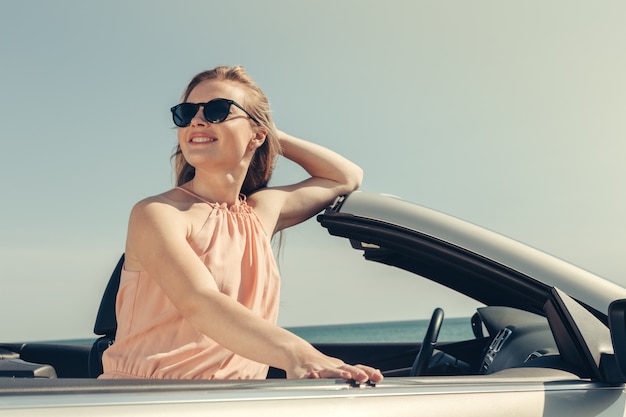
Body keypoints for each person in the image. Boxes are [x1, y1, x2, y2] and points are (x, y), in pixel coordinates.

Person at [99, 65, 383, 382]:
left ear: (257, 134)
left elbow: (346, 177)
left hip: (235, 403)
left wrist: (273, 135)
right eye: (186, 112)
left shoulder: (261, 213)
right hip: (146, 401)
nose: (197, 120)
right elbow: (200, 302)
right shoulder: (158, 213)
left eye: (218, 110)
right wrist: (300, 356)